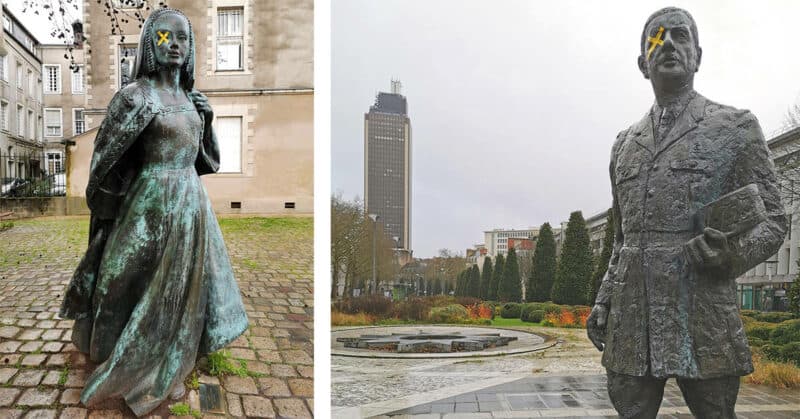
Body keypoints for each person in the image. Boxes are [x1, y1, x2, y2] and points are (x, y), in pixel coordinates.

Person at [586, 7, 787, 418]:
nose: (669, 44)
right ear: (644, 63)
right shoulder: (624, 144)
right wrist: (604, 300)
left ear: (698, 54)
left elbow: (773, 218)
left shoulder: (735, 127)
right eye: (656, 39)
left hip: (703, 307)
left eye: (680, 35)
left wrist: (731, 257)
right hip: (633, 313)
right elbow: (621, 239)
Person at [59, 8, 248, 416]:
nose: (175, 44)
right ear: (151, 44)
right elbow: (106, 156)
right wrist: (108, 204)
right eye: (165, 37)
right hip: (146, 201)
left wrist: (209, 118)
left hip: (189, 205)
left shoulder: (192, 99)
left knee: (179, 289)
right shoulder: (134, 97)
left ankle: (168, 354)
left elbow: (206, 162)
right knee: (118, 276)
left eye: (182, 37)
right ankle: (108, 345)